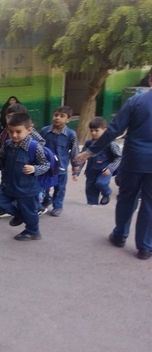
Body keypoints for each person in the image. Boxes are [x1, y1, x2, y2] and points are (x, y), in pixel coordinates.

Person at [76, 70, 152, 260]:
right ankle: (145, 247)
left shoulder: (136, 101)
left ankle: (119, 236)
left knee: (127, 198)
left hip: (134, 159)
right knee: (150, 204)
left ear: (150, 80)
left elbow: (114, 130)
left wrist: (91, 151)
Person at [0, 103, 45, 218]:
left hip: (22, 166)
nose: (11, 119)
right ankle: (6, 208)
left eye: (14, 116)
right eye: (8, 116)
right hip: (6, 162)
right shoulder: (6, 130)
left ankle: (36, 209)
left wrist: (29, 156)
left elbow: (41, 143)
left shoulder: (29, 131)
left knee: (24, 192)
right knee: (6, 186)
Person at [0, 112, 50, 241]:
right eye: (11, 131)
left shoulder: (34, 147)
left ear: (29, 130)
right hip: (9, 185)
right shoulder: (8, 144)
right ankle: (20, 215)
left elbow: (46, 165)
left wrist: (34, 168)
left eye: (18, 132)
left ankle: (33, 232)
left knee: (30, 211)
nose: (14, 135)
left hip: (27, 189)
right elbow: (1, 159)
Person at [39, 106, 80, 216]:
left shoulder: (71, 134)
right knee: (44, 186)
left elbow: (75, 150)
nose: (57, 118)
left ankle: (58, 206)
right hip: (46, 165)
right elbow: (38, 147)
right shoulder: (45, 131)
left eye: (62, 116)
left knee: (60, 187)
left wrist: (75, 167)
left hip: (61, 166)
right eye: (56, 115)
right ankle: (45, 201)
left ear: (68, 119)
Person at [73, 117, 122, 205]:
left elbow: (119, 157)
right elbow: (83, 158)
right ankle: (92, 205)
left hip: (104, 171)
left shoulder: (111, 143)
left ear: (105, 130)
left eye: (96, 130)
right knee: (90, 190)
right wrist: (77, 172)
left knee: (101, 183)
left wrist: (110, 168)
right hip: (91, 171)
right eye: (91, 130)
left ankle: (107, 193)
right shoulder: (88, 143)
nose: (93, 133)